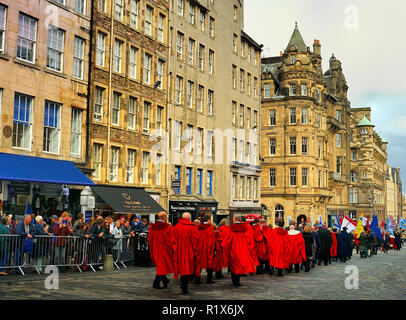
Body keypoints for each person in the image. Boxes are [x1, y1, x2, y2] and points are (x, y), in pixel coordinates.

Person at [173, 212, 200, 294]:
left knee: (182, 268)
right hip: (189, 251)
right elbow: (196, 241)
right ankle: (185, 285)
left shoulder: (176, 227)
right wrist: (196, 251)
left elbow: (172, 240)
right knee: (188, 269)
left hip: (179, 251)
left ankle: (183, 284)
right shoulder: (192, 228)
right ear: (189, 219)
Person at [227, 215, 257, 287]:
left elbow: (227, 239)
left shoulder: (230, 228)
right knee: (239, 265)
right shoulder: (245, 228)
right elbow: (249, 239)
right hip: (242, 250)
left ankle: (233, 280)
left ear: (234, 220)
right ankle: (237, 281)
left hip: (233, 249)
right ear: (240, 220)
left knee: (233, 265)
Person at [148, 212, 175, 289]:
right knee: (162, 267)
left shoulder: (152, 226)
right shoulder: (168, 227)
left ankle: (165, 280)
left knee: (160, 266)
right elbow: (171, 239)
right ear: (163, 217)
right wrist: (173, 248)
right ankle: (156, 283)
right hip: (164, 250)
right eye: (166, 217)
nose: (166, 218)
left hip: (155, 249)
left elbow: (150, 239)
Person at [196, 214, 215, 284]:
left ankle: (197, 279)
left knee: (199, 264)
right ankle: (209, 279)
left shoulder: (198, 228)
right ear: (208, 220)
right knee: (209, 264)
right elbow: (211, 240)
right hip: (207, 249)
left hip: (200, 249)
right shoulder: (210, 228)